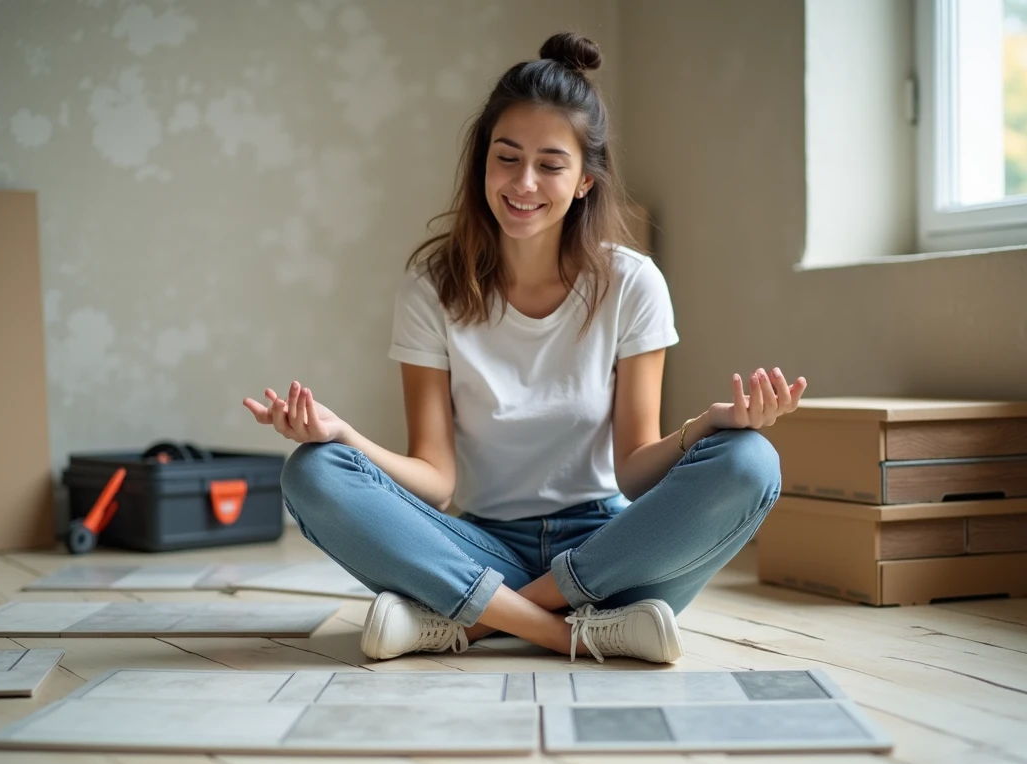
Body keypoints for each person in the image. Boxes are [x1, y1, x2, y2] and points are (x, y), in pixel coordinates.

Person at [243, 32, 807, 665]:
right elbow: (434, 481)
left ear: (587, 181)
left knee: (750, 461)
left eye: (550, 164)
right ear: (482, 161)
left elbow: (634, 471)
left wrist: (711, 426)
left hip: (611, 546)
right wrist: (341, 434)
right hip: (481, 545)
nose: (524, 182)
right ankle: (574, 630)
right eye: (506, 157)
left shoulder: (632, 283)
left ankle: (469, 620)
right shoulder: (433, 287)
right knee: (312, 470)